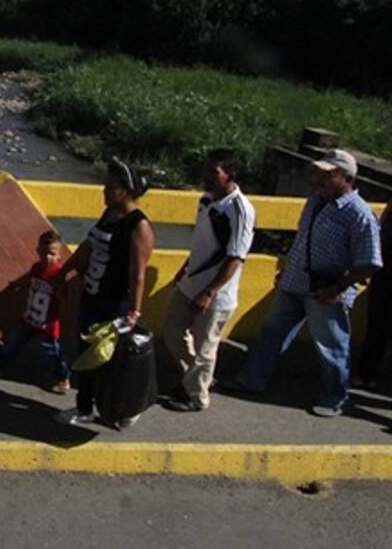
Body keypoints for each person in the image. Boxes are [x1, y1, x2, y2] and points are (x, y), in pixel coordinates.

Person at [225, 149, 382, 416]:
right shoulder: (315, 202)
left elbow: (370, 261)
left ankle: (335, 397)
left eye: (328, 175)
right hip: (295, 281)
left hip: (325, 291)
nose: (320, 179)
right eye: (320, 173)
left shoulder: (359, 214)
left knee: (331, 346)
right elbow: (302, 240)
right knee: (272, 333)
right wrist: (288, 269)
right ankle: (251, 380)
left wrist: (338, 287)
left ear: (347, 178)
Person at [55, 158, 155, 427]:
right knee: (87, 353)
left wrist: (134, 312)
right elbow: (89, 245)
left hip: (115, 303)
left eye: (111, 187)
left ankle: (122, 410)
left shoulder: (138, 226)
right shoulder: (109, 214)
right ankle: (84, 408)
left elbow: (138, 274)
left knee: (111, 360)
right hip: (92, 295)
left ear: (126, 191)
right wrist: (66, 271)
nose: (105, 191)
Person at [160, 149, 255, 412]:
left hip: (216, 293)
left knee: (205, 348)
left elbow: (236, 256)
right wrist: (185, 269)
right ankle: (194, 379)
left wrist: (210, 292)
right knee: (172, 330)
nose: (207, 176)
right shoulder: (206, 200)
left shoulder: (240, 210)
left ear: (231, 175)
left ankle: (196, 397)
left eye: (214, 172)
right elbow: (202, 243)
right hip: (191, 282)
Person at [0, 230, 71, 394]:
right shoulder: (36, 268)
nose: (47, 257)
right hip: (29, 318)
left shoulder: (58, 273)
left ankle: (62, 378)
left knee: (53, 352)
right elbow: (29, 279)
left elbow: (64, 295)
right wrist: (17, 285)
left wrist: (60, 290)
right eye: (43, 252)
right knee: (12, 344)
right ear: (37, 251)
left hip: (47, 324)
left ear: (59, 255)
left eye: (51, 254)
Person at [353, 202, 391, 389]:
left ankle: (366, 373)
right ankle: (366, 372)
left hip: (384, 274)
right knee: (377, 326)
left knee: (377, 326)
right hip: (385, 274)